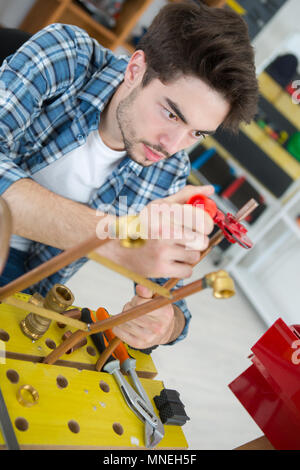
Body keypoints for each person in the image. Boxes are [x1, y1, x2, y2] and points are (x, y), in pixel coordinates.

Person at [0, 1, 258, 350]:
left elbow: (170, 297)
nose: (173, 145)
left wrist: (162, 323)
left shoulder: (169, 171)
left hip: (25, 290)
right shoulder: (65, 55)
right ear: (136, 69)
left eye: (197, 134)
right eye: (171, 114)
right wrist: (116, 241)